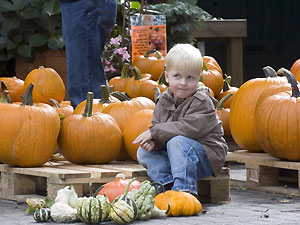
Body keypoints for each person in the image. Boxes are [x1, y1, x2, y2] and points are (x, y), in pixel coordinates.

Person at [133, 43, 228, 196]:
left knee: (178, 141)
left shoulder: (202, 100)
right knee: (143, 152)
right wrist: (154, 143)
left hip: (205, 157)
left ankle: (184, 191)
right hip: (176, 155)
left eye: (190, 77)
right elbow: (160, 129)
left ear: (199, 78)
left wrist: (155, 132)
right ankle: (166, 185)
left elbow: (187, 128)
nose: (183, 83)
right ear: (167, 76)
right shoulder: (163, 100)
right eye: (177, 76)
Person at [59, 0, 117, 108]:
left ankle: (90, 118)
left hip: (83, 5)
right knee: (88, 69)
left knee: (84, 81)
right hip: (92, 5)